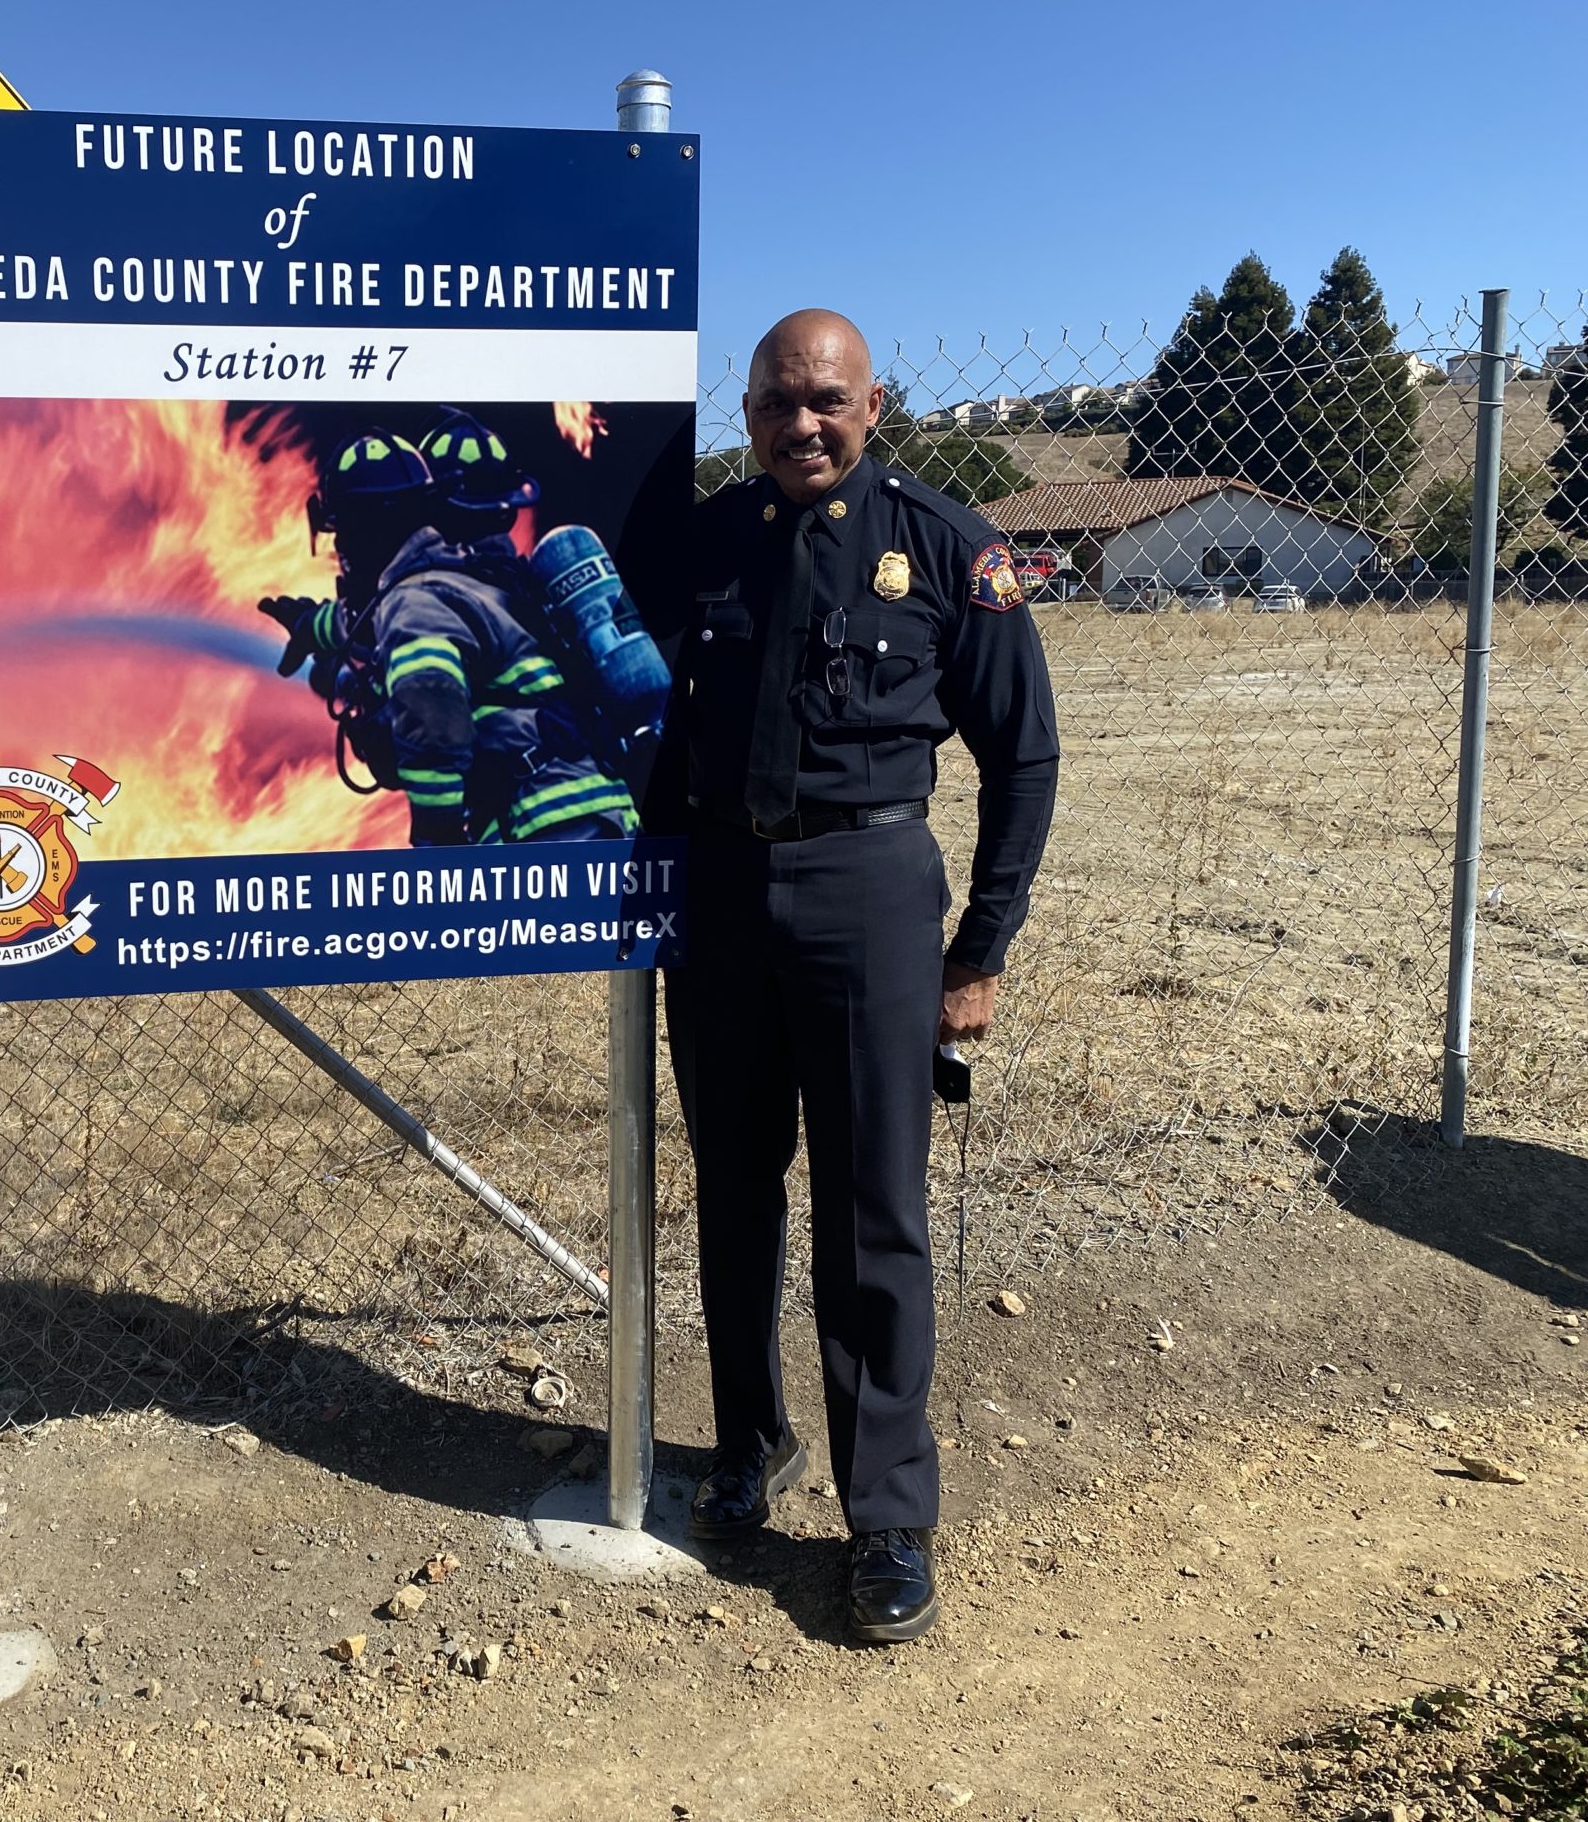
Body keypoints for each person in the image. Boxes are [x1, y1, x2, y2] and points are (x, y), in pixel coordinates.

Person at [659, 311, 1058, 1642]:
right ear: (750, 412)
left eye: (825, 400)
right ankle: (748, 1445)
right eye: (776, 403)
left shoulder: (948, 549)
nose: (800, 425)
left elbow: (1025, 759)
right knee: (731, 1191)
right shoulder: (706, 543)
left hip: (870, 899)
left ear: (873, 404)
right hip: (719, 897)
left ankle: (887, 1514)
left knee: (872, 1213)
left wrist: (979, 951)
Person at [259, 419, 639, 845]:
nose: (341, 549)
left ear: (365, 529)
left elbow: (432, 725)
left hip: (548, 825)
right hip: (594, 812)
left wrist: (436, 842)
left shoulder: (416, 600)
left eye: (343, 532)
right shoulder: (472, 582)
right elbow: (369, 624)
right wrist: (313, 626)